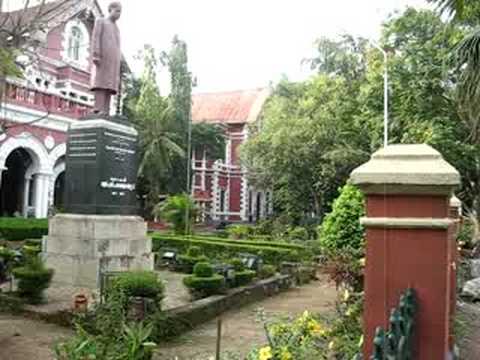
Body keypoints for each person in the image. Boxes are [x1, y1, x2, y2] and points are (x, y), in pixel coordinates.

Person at [90, 1, 122, 116]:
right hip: (102, 58)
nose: (119, 14)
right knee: (101, 83)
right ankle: (97, 108)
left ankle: (106, 110)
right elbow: (96, 37)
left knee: (109, 85)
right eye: (117, 11)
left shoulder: (117, 29)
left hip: (113, 61)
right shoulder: (101, 21)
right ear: (110, 9)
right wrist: (96, 54)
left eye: (120, 12)